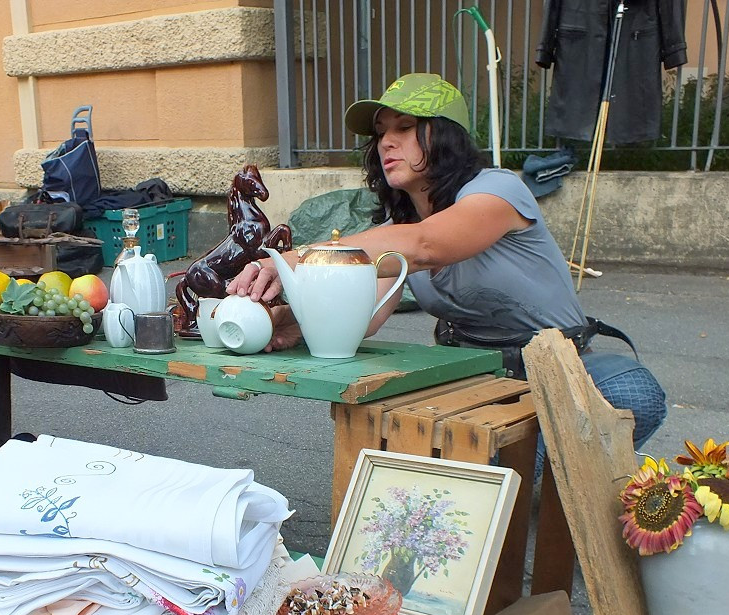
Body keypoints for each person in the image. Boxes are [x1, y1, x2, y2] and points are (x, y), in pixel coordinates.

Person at [228, 73, 666, 449]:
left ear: (447, 136)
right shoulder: (398, 222)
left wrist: (289, 260)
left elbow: (424, 246)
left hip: (561, 366)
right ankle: (493, 467)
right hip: (470, 373)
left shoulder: (498, 191)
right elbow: (365, 317)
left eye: (405, 127)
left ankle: (518, 471)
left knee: (634, 392)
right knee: (384, 414)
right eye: (381, 132)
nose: (387, 143)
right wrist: (297, 322)